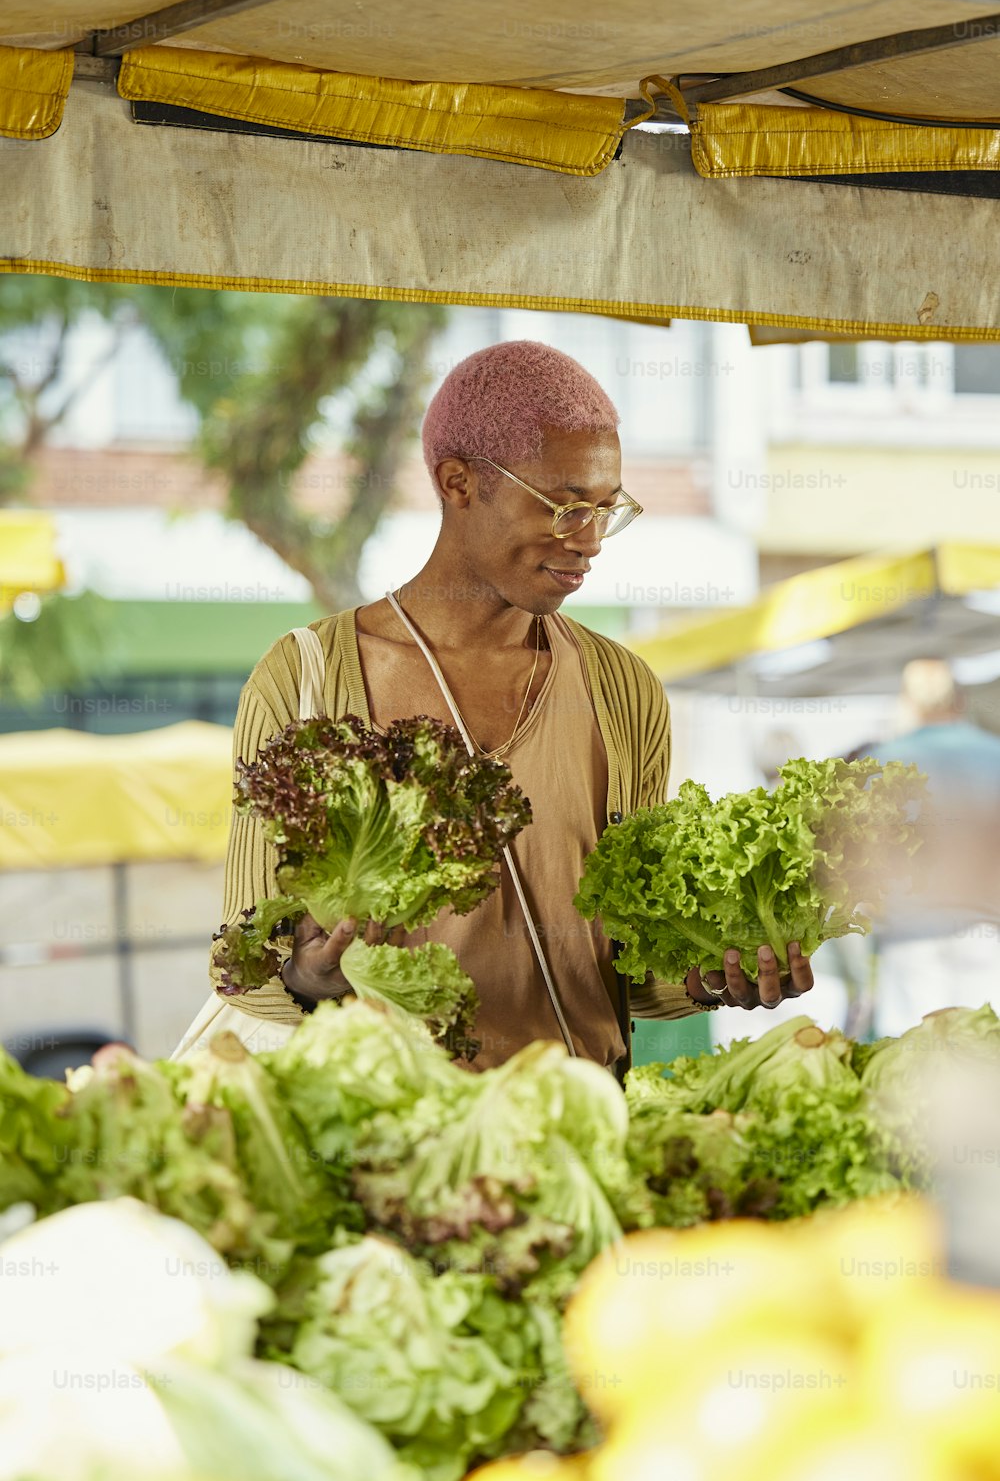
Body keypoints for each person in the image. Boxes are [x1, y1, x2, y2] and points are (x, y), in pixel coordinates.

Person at [173, 342, 814, 1069]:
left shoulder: (624, 691)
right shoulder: (306, 678)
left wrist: (711, 975)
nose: (592, 542)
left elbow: (626, 962)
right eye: (567, 507)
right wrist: (309, 974)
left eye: (608, 509)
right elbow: (246, 957)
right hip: (398, 1142)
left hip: (580, 1130)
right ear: (458, 483)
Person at [869, 658, 1000, 1036]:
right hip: (986, 928)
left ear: (908, 702)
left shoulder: (879, 762)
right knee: (987, 1050)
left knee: (910, 1059)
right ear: (960, 700)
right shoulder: (994, 754)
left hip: (910, 932)